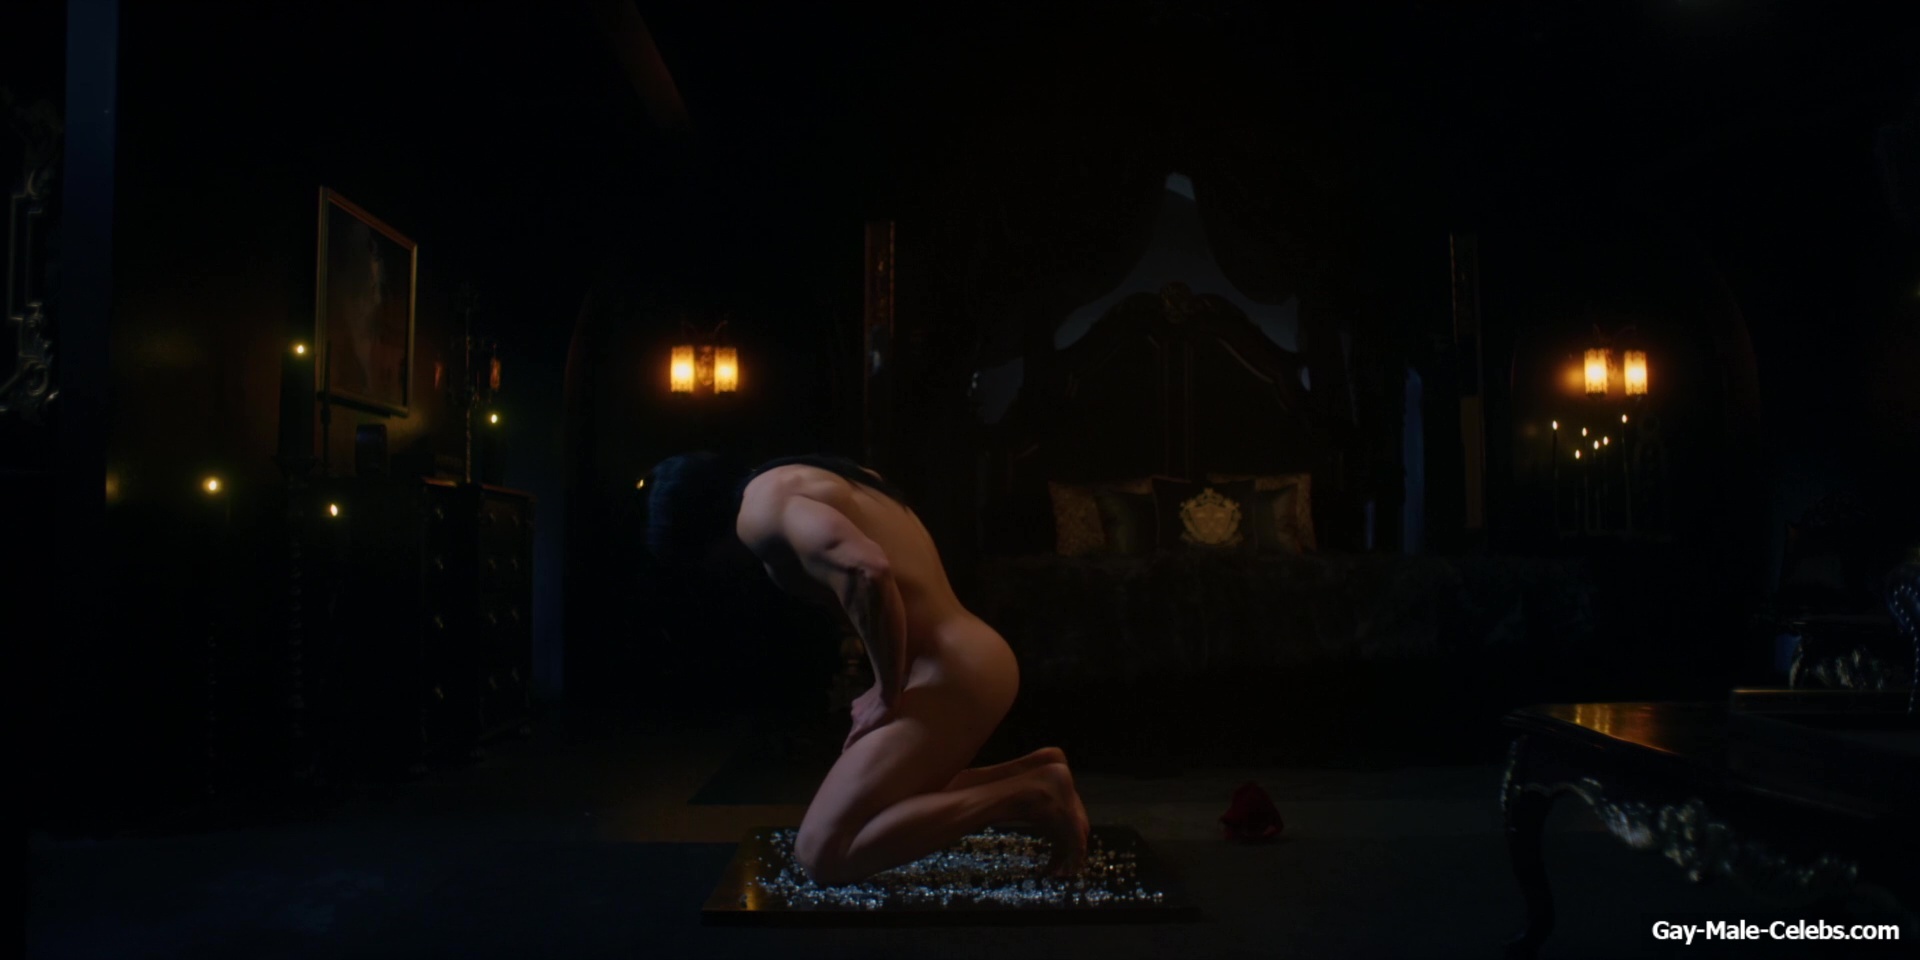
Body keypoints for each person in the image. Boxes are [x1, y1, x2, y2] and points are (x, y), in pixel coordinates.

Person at [644, 452, 1090, 884]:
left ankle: (1030, 795)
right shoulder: (816, 475)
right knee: (872, 813)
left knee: (823, 854)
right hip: (967, 658)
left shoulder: (760, 509)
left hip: (952, 672)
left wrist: (886, 690)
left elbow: (866, 569)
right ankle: (1029, 774)